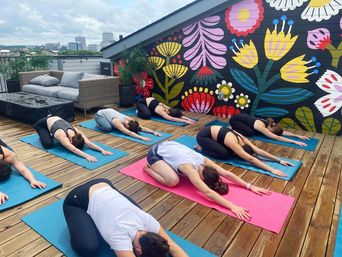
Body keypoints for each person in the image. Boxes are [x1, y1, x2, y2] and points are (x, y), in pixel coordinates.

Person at [143, 140, 270, 220]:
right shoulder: (190, 169)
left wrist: (249, 186)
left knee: (177, 172)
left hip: (171, 145)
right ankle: (149, 168)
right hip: (155, 153)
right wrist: (233, 207)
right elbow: (207, 192)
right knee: (173, 181)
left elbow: (226, 173)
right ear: (202, 178)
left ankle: (166, 165)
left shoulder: (205, 161)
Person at [63, 178, 189, 257]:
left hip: (105, 184)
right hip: (78, 199)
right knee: (88, 249)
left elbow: (172, 245)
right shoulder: (119, 235)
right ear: (138, 250)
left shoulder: (148, 221)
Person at [196, 126, 294, 177]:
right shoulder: (234, 143)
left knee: (227, 151)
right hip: (203, 136)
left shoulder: (244, 140)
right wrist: (272, 169)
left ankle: (213, 144)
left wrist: (278, 160)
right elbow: (250, 159)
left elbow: (259, 151)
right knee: (224, 154)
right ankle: (201, 148)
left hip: (215, 135)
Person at [33, 116, 112, 162]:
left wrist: (102, 150)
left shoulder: (78, 133)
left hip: (55, 120)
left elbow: (88, 143)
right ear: (70, 141)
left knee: (55, 141)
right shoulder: (62, 136)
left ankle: (50, 133)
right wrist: (87, 156)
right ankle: (43, 132)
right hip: (42, 124)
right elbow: (74, 149)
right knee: (48, 144)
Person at [0, 138, 46, 205]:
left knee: (15, 157)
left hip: (4, 149)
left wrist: (33, 180)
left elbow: (23, 169)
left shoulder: (9, 155)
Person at [229, 113, 309, 147]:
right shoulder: (261, 126)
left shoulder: (270, 124)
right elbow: (276, 137)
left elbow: (282, 132)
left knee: (254, 132)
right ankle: (232, 128)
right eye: (272, 132)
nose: (270, 133)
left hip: (243, 119)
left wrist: (297, 136)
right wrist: (294, 142)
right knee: (250, 133)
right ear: (270, 128)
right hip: (235, 120)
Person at [95, 108, 162, 142]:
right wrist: (141, 137)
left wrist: (153, 132)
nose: (127, 129)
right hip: (100, 115)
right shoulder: (117, 122)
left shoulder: (129, 120)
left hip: (110, 112)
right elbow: (128, 132)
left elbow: (140, 127)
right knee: (108, 128)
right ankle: (98, 125)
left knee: (112, 127)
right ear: (127, 126)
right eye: (128, 128)